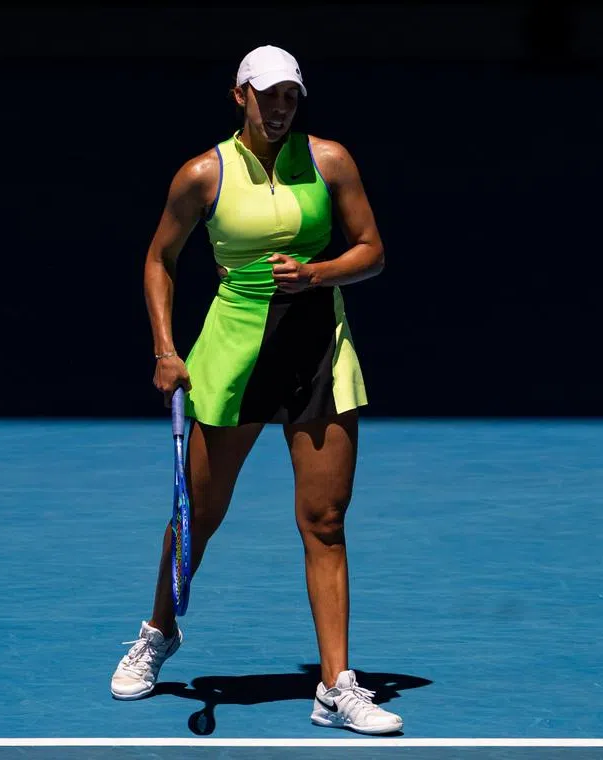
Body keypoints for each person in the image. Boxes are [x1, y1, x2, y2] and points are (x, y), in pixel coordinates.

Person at [112, 44, 400, 735]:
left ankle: (335, 686)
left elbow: (372, 251)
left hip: (319, 354)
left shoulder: (330, 161)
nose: (279, 108)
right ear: (239, 95)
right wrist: (165, 350)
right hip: (234, 357)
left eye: (290, 97)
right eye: (267, 96)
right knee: (196, 515)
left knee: (325, 521)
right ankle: (158, 632)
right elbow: (159, 258)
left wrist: (317, 273)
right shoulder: (202, 174)